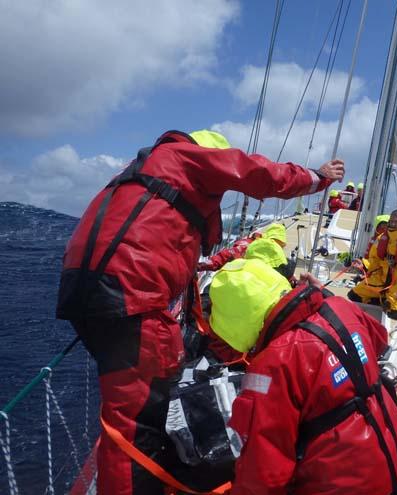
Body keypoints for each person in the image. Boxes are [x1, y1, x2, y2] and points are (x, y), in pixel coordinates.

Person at [55, 129, 344, 495]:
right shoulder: (185, 157)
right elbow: (254, 171)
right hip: (129, 294)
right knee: (135, 423)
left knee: (139, 406)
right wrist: (316, 178)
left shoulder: (141, 173)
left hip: (88, 292)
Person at [209, 258, 397, 495]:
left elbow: (265, 471)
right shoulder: (340, 307)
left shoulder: (272, 365)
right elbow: (378, 340)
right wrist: (323, 296)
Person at [348, 209, 397, 321]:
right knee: (354, 295)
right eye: (391, 221)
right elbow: (374, 261)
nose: (393, 224)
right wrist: (363, 264)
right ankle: (384, 302)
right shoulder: (381, 239)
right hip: (381, 281)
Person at [196, 221, 288, 272]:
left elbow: (225, 255)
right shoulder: (248, 245)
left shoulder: (248, 244)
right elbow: (226, 255)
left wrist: (202, 266)